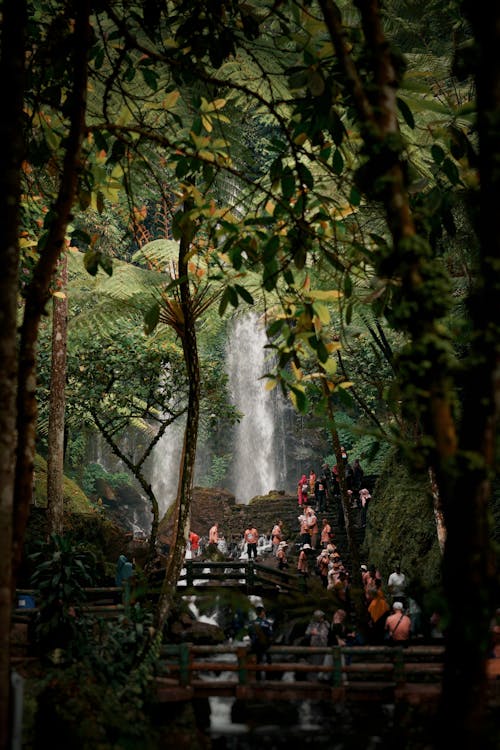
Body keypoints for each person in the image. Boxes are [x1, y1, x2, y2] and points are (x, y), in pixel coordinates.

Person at [248, 605, 273, 681]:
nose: (264, 613)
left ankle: (258, 679)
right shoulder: (267, 624)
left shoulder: (251, 623)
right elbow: (270, 634)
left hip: (255, 646)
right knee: (268, 662)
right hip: (265, 646)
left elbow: (249, 633)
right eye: (263, 612)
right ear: (262, 613)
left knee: (257, 663)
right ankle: (268, 679)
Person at [305, 609, 330, 680]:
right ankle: (311, 679)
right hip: (313, 646)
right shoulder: (312, 623)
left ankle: (320, 678)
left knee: (321, 662)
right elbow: (307, 633)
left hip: (322, 646)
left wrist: (317, 633)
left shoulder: (326, 624)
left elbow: (325, 634)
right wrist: (311, 632)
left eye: (321, 616)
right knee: (312, 662)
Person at [367, 578, 390, 644]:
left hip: (377, 612)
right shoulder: (380, 597)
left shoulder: (375, 600)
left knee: (376, 628)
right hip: (381, 612)